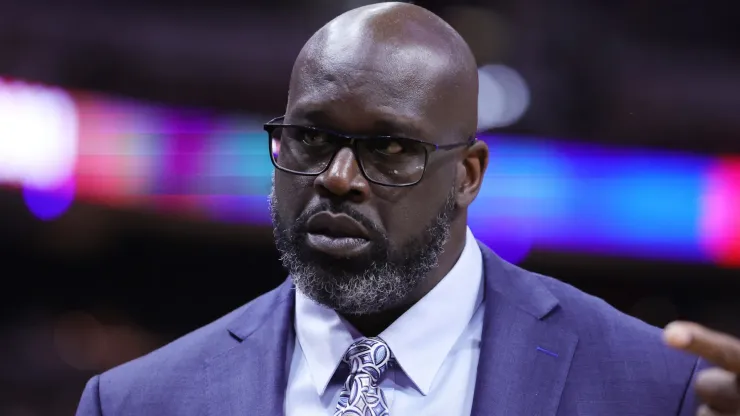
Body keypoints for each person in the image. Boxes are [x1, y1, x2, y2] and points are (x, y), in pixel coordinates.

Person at [76, 3, 740, 415]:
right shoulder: (135, 402)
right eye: (309, 137)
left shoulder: (660, 390)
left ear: (468, 176)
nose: (338, 179)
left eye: (389, 148)